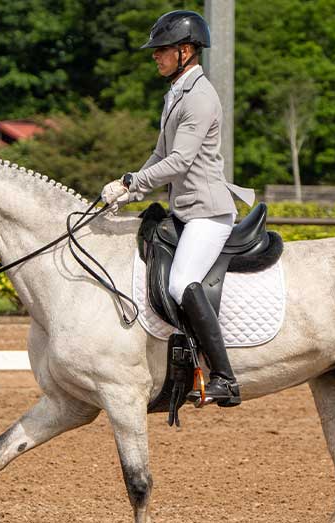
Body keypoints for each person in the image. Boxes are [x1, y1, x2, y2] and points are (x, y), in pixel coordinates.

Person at [102, 10, 255, 407]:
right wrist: (130, 191)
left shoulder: (201, 97)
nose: (155, 56)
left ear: (185, 51)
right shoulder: (176, 93)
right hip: (185, 210)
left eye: (162, 50)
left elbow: (181, 161)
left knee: (179, 281)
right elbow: (160, 153)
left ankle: (225, 378)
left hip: (208, 212)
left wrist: (131, 181)